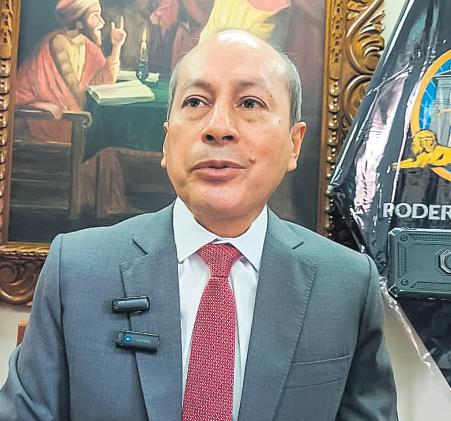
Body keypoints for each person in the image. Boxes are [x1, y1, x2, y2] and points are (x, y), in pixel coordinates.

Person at [0, 30, 397, 420]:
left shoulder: (346, 284)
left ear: (294, 144)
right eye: (195, 102)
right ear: (166, 140)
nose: (218, 127)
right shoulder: (76, 269)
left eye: (250, 103)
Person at [15, 0, 127, 143]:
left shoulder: (90, 48)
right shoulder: (47, 48)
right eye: (95, 15)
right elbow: (18, 92)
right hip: (47, 126)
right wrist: (41, 105)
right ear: (79, 23)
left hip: (78, 124)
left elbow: (104, 82)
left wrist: (116, 46)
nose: (102, 22)